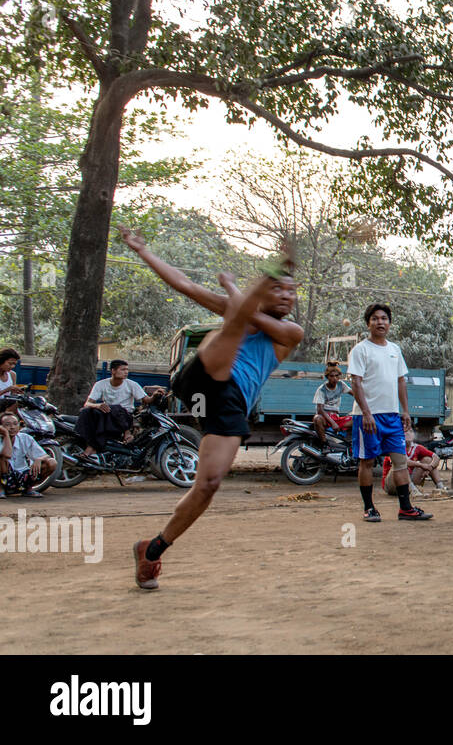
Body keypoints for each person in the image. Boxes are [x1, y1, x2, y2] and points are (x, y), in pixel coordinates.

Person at [122, 227, 304, 591]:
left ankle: (152, 549)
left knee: (208, 484)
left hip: (227, 401)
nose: (287, 296)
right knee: (232, 325)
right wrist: (143, 251)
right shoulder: (240, 312)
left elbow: (244, 313)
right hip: (204, 374)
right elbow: (186, 286)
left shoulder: (292, 331)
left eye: (291, 291)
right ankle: (266, 271)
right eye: (277, 287)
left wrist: (234, 288)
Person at [349, 302, 431, 523]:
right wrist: (366, 413)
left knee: (400, 460)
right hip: (367, 417)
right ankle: (369, 508)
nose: (380, 322)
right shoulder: (360, 350)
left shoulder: (395, 350)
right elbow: (355, 383)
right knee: (367, 462)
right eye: (375, 318)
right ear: (368, 323)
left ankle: (406, 508)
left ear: (390, 323)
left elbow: (401, 381)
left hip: (392, 416)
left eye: (384, 318)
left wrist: (405, 411)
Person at [74, 359, 165, 460]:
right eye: (123, 369)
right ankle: (89, 446)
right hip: (107, 416)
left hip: (124, 417)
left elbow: (147, 400)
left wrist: (155, 395)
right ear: (113, 371)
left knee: (115, 407)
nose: (126, 372)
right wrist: (98, 405)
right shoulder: (101, 384)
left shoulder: (131, 384)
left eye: (127, 369)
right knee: (86, 411)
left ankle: (126, 433)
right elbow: (87, 403)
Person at [0, 411, 56, 497]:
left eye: (15, 424)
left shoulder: (25, 438)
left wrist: (39, 459)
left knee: (52, 462)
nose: (12, 427)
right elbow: (6, 455)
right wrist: (6, 435)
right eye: (7, 424)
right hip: (4, 477)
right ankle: (1, 489)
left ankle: (28, 489)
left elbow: (46, 456)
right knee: (2, 459)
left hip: (21, 476)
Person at [382, 430, 446, 496]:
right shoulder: (395, 446)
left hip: (409, 482)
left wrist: (430, 467)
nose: (408, 434)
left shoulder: (417, 447)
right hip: (393, 485)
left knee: (428, 459)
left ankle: (441, 487)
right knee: (400, 464)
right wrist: (421, 465)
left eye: (410, 431)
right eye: (405, 432)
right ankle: (413, 490)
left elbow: (436, 457)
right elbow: (402, 461)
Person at [311, 362, 352, 445]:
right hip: (325, 418)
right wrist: (333, 423)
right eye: (332, 376)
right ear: (327, 377)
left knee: (357, 420)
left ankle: (349, 445)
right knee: (317, 418)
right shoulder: (322, 389)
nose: (335, 378)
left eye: (337, 376)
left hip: (336, 417)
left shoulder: (341, 385)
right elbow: (320, 409)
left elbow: (355, 394)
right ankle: (324, 443)